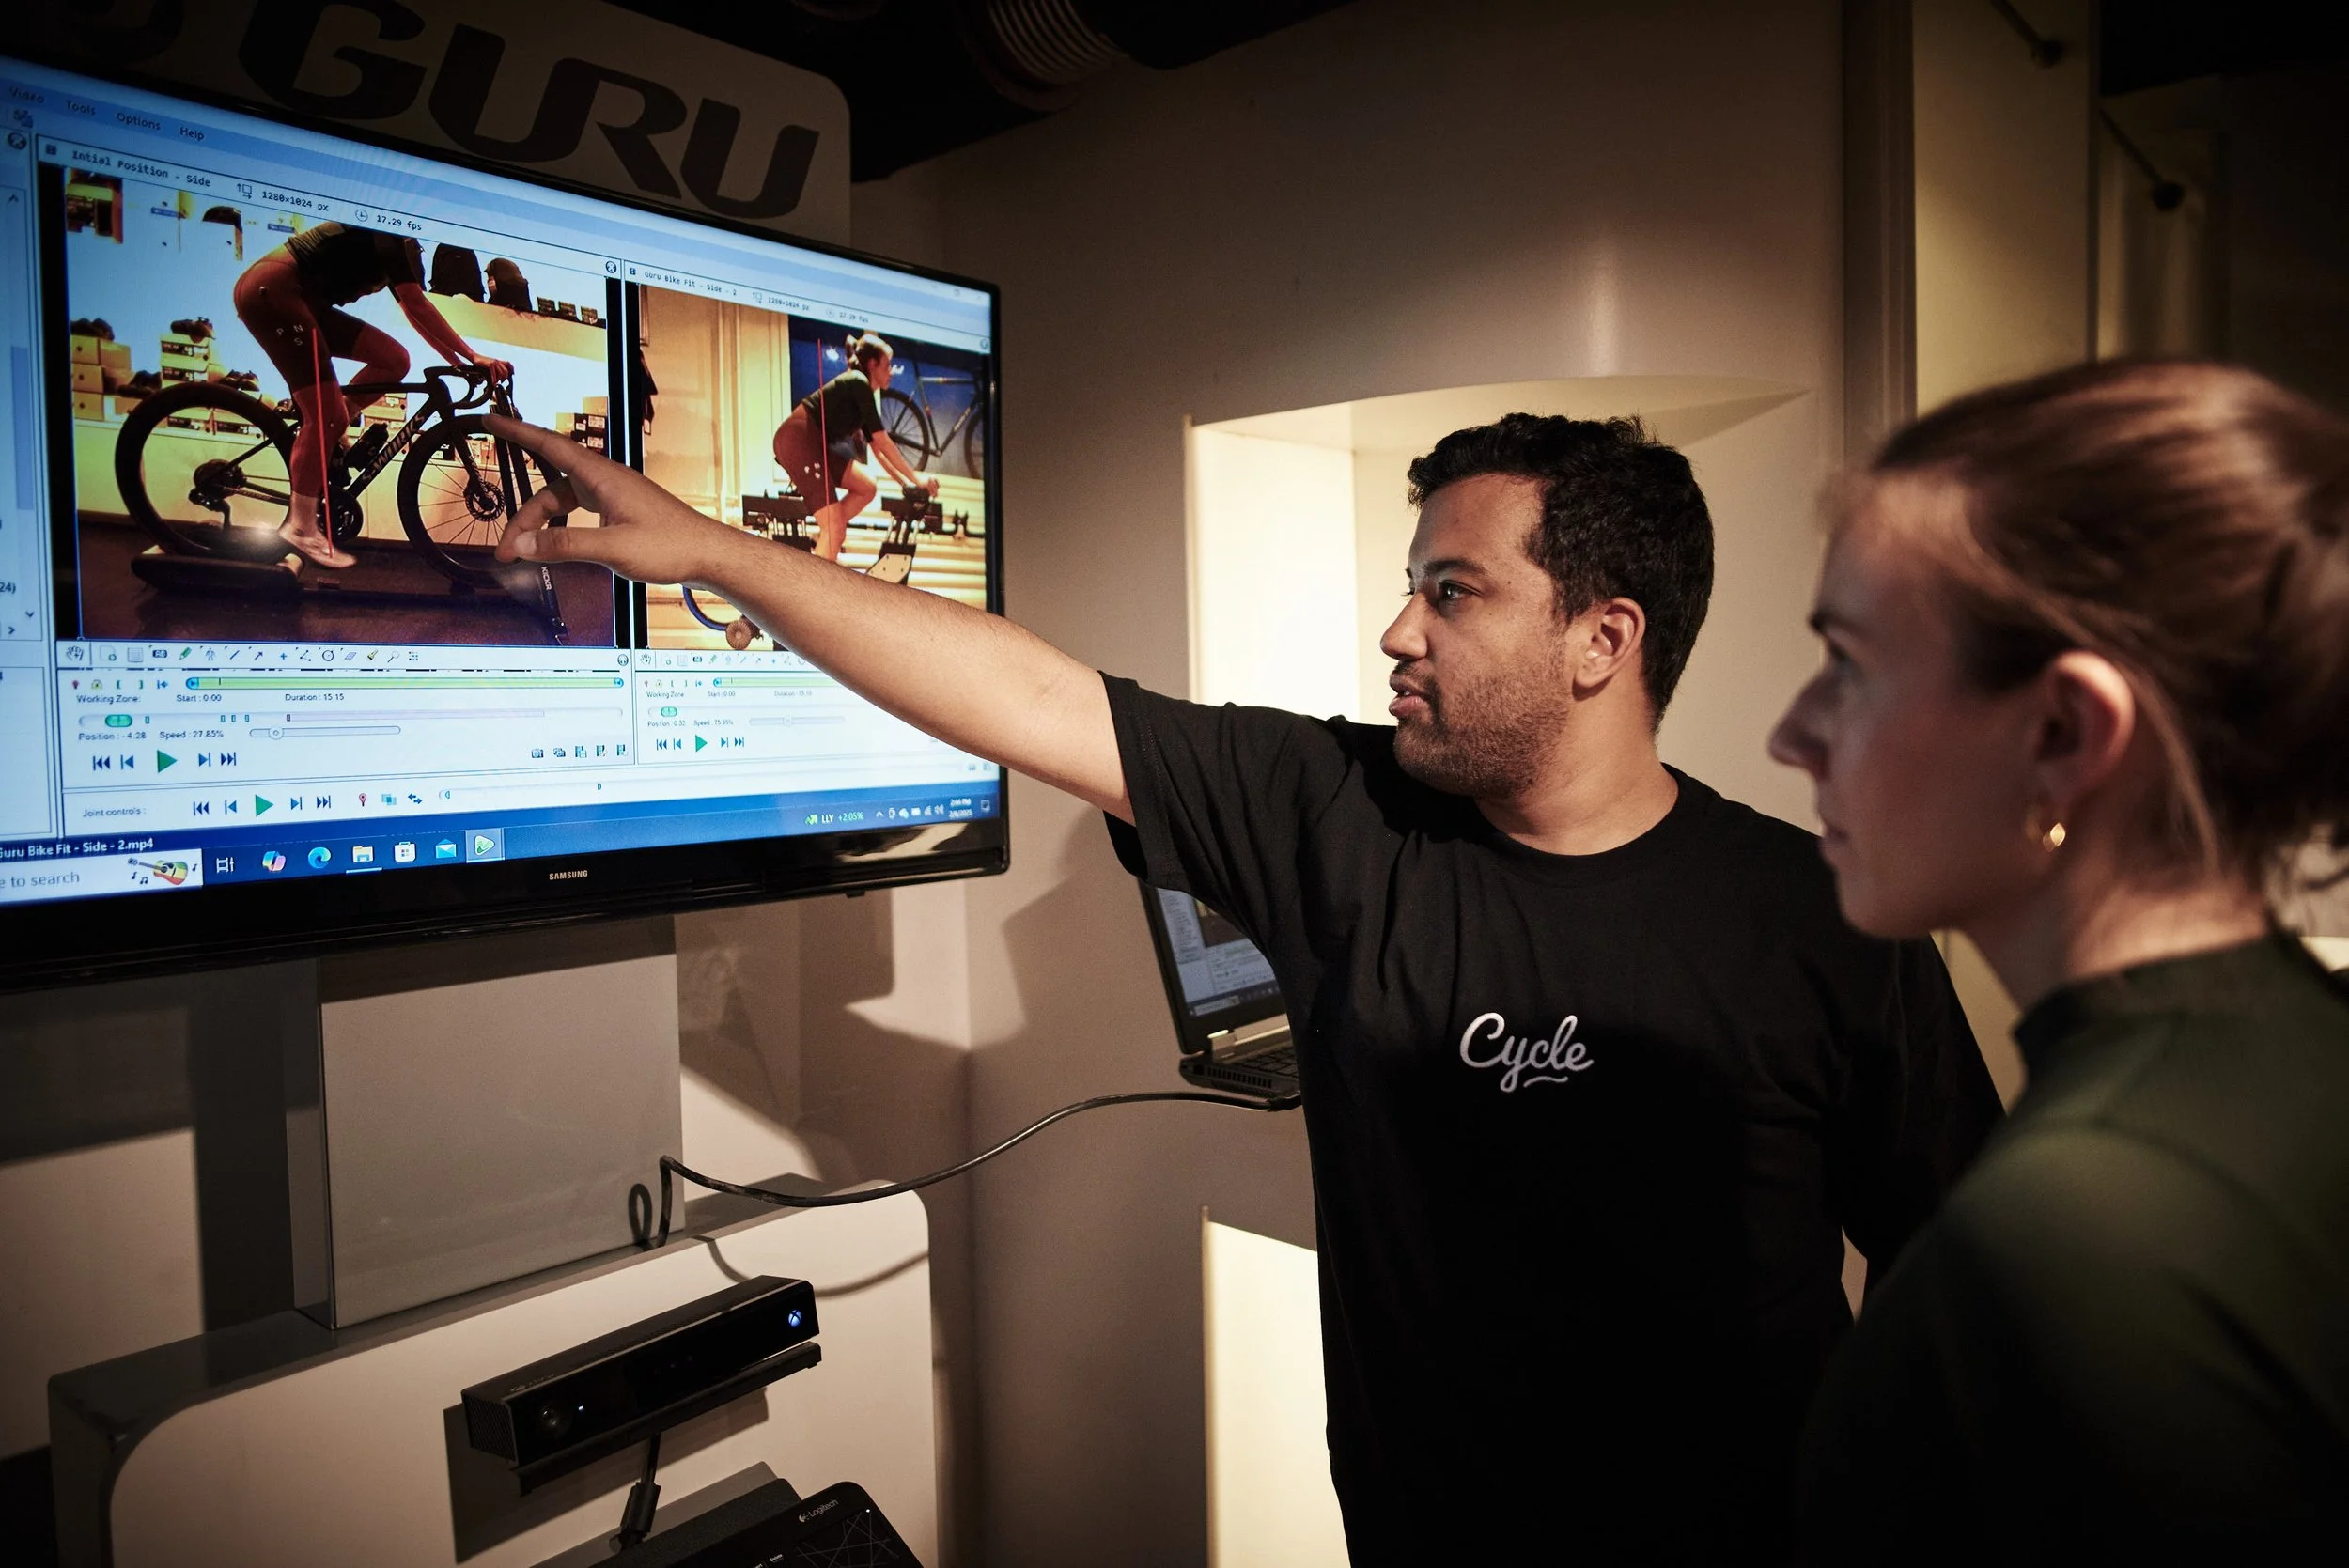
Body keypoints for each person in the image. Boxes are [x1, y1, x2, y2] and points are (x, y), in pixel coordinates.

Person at [484, 409, 2001, 1562]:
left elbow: (1974, 1306)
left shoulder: (1824, 918)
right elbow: (1027, 691)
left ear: (1603, 638)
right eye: (1411, 585)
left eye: (1454, 593)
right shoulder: (1338, 812)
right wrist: (719, 554)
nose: (1398, 630)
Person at [1769, 360, 2349, 1560]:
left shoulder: (2061, 1250)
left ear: (2062, 733)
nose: (1791, 734)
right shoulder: (2302, 1048)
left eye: (1850, 667)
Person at [232, 222, 512, 568]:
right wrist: (472, 357)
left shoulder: (400, 244)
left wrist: (461, 361)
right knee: (326, 414)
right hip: (275, 290)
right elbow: (417, 305)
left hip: (304, 300)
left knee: (394, 360)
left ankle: (332, 430)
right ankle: (301, 528)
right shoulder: (387, 229)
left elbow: (414, 311)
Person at [772, 332, 934, 565]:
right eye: (887, 366)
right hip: (797, 439)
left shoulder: (862, 391)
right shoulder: (858, 381)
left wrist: (907, 485)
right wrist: (916, 479)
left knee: (866, 486)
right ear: (872, 364)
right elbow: (883, 441)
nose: (891, 372)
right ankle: (828, 542)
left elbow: (878, 452)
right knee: (835, 527)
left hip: (814, 444)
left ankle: (826, 534)